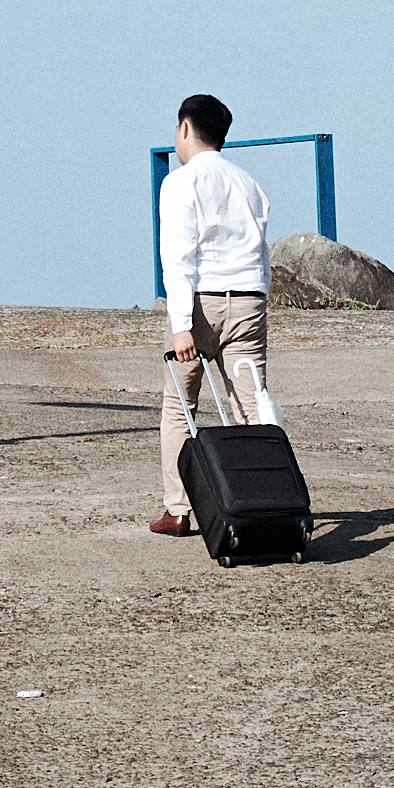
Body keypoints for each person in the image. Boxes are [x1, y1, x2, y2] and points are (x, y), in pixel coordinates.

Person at [152, 92, 271, 536]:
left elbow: (178, 258)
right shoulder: (250, 184)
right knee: (251, 407)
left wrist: (181, 324)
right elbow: (261, 257)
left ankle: (180, 510)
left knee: (181, 407)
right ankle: (261, 501)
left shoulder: (180, 182)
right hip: (247, 303)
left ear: (185, 128)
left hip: (199, 304)